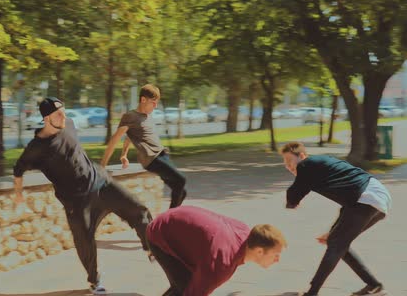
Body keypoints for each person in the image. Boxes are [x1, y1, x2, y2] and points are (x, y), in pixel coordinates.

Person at [13, 97, 152, 295]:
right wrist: (19, 195)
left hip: (101, 182)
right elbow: (18, 169)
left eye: (64, 111)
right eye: (57, 114)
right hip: (77, 201)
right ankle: (95, 281)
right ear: (46, 119)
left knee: (139, 209)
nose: (64, 117)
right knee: (84, 241)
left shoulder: (68, 123)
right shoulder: (37, 148)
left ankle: (151, 248)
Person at [281, 141, 391, 296]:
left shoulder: (306, 164)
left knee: (336, 244)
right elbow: (348, 205)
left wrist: (292, 203)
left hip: (366, 198)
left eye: (289, 161)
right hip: (376, 198)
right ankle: (374, 286)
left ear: (302, 156)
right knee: (339, 243)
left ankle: (312, 293)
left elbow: (294, 193)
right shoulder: (318, 166)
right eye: (285, 163)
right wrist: (332, 231)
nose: (288, 166)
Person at [146, 205, 287, 296]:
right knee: (186, 289)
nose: (278, 259)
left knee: (189, 284)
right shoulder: (220, 266)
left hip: (177, 224)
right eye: (276, 254)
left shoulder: (246, 234)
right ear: (259, 251)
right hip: (161, 233)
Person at [101, 84, 187, 208]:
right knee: (181, 180)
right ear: (143, 100)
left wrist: (124, 154)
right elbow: (114, 140)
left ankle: (171, 217)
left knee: (181, 191)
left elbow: (129, 136)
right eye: (153, 102)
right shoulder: (130, 116)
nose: (155, 106)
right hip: (152, 159)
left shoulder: (146, 115)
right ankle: (168, 221)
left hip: (162, 156)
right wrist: (102, 165)